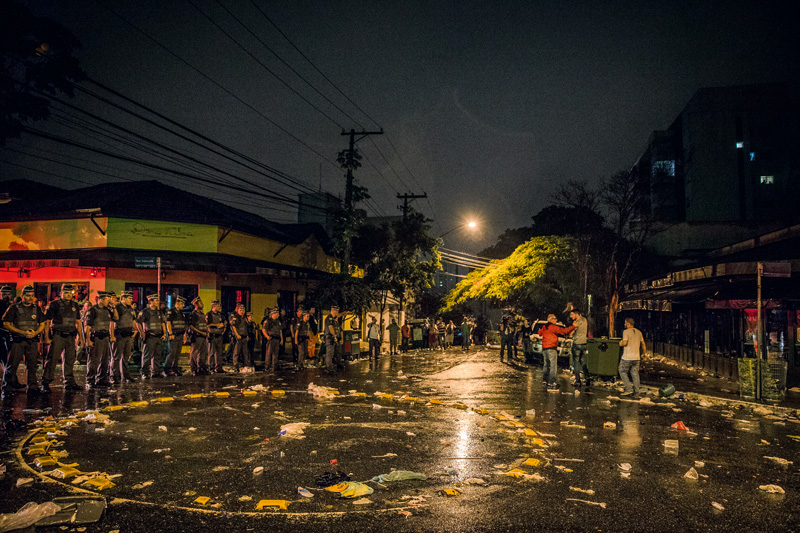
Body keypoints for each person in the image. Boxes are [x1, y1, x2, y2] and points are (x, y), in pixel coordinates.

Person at [2, 285, 46, 395]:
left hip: (32, 341)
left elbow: (42, 324)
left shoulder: (37, 308)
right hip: (18, 341)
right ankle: (7, 387)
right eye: (28, 295)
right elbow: (6, 324)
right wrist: (22, 332)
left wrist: (35, 333)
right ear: (22, 296)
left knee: (32, 365)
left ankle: (32, 387)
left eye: (32, 296)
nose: (30, 298)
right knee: (12, 365)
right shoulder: (14, 308)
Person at [42, 284, 83, 392]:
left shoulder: (75, 305)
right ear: (61, 293)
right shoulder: (54, 304)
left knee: (70, 359)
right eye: (66, 292)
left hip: (70, 336)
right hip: (58, 335)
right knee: (52, 359)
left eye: (70, 293)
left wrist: (81, 338)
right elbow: (47, 322)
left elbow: (78, 322)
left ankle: (69, 382)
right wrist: (46, 337)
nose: (69, 295)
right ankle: (45, 382)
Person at [84, 291, 114, 389]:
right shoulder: (92, 310)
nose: (108, 301)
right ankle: (90, 380)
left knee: (105, 360)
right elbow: (87, 327)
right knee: (94, 360)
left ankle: (102, 379)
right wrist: (88, 340)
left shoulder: (107, 310)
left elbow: (116, 318)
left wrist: (113, 307)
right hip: (96, 337)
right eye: (106, 299)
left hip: (105, 337)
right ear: (100, 299)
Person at [538, 314, 575, 390]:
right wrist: (573, 326)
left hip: (545, 348)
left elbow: (540, 333)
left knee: (546, 365)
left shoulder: (545, 327)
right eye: (555, 319)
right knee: (553, 366)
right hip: (551, 348)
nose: (556, 320)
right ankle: (552, 382)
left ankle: (545, 380)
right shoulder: (553, 327)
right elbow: (564, 331)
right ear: (550, 319)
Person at [136, 294, 167, 380]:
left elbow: (163, 323)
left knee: (157, 355)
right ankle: (144, 372)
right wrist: (142, 332)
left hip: (158, 336)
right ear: (150, 301)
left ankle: (155, 372)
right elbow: (138, 322)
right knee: (147, 356)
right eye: (156, 300)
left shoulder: (159, 312)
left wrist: (164, 333)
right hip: (150, 336)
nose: (158, 302)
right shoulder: (145, 312)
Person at [110, 290, 137, 384]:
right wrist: (112, 335)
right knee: (116, 357)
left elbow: (132, 320)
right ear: (123, 298)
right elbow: (113, 322)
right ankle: (113, 376)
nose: (131, 300)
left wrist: (135, 330)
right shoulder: (118, 307)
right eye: (129, 298)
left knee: (125, 357)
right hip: (119, 335)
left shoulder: (129, 308)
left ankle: (125, 376)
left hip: (128, 335)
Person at [619, 317, 646, 398]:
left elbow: (625, 342)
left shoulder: (626, 332)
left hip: (627, 357)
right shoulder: (639, 332)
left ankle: (628, 389)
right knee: (635, 374)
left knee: (622, 371)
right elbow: (643, 343)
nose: (624, 324)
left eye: (625, 323)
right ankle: (636, 392)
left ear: (628, 323)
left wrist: (620, 343)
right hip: (636, 357)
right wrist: (644, 353)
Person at [164, 296, 187, 376]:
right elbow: (168, 323)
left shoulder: (182, 313)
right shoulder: (171, 312)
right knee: (171, 353)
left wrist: (184, 335)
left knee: (177, 353)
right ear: (176, 304)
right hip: (173, 335)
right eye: (181, 304)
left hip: (180, 335)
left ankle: (175, 369)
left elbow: (183, 325)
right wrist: (170, 333)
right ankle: (167, 369)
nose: (183, 305)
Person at [187, 297, 210, 376]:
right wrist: (201, 332)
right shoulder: (193, 314)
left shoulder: (202, 314)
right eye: (200, 302)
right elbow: (192, 326)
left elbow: (204, 325)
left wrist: (206, 332)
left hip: (204, 336)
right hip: (197, 336)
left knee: (203, 353)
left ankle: (201, 368)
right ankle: (193, 369)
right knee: (194, 353)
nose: (202, 304)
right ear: (196, 304)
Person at [570, 309, 590, 387]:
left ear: (576, 314)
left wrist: (573, 328)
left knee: (576, 363)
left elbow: (571, 333)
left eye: (572, 314)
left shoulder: (575, 323)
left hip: (577, 344)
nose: (571, 316)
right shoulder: (585, 320)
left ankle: (578, 381)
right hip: (584, 344)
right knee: (583, 362)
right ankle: (587, 378)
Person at [230, 303, 251, 373]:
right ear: (238, 310)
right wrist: (237, 335)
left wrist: (247, 335)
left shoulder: (244, 318)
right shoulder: (236, 317)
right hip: (238, 338)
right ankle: (236, 367)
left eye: (243, 310)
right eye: (240, 310)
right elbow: (233, 327)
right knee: (236, 353)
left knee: (245, 353)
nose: (242, 311)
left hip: (244, 337)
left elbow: (245, 327)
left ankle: (246, 366)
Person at [206, 301, 226, 373]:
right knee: (211, 353)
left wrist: (223, 326)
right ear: (213, 307)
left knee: (219, 353)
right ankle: (211, 368)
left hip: (219, 336)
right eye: (217, 306)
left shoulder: (220, 315)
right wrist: (217, 325)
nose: (219, 307)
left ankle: (219, 368)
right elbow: (208, 324)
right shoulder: (209, 314)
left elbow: (225, 322)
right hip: (212, 336)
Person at [262, 308, 282, 374]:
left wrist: (281, 339)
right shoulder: (268, 321)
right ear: (274, 314)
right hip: (271, 339)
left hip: (277, 339)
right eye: (277, 314)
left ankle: (274, 367)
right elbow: (263, 329)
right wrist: (267, 336)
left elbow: (280, 331)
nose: (278, 315)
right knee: (268, 354)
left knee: (275, 354)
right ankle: (267, 367)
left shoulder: (278, 322)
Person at [324, 305, 343, 372]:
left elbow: (340, 329)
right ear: (333, 311)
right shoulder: (329, 318)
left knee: (337, 352)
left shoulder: (334, 319)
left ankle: (337, 364)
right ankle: (328, 366)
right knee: (330, 352)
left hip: (334, 338)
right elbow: (330, 328)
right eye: (336, 311)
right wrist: (334, 336)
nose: (337, 312)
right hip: (330, 337)